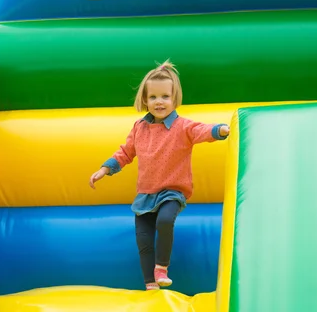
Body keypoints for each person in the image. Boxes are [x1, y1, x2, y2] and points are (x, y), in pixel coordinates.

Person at [89, 60, 230, 291]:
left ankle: (161, 268)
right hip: (145, 194)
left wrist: (220, 130)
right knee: (144, 242)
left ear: (175, 99)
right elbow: (125, 152)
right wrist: (105, 169)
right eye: (153, 97)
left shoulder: (182, 126)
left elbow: (201, 130)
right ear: (145, 100)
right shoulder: (139, 128)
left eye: (165, 96)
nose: (159, 102)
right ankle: (150, 285)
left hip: (172, 191)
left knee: (165, 220)